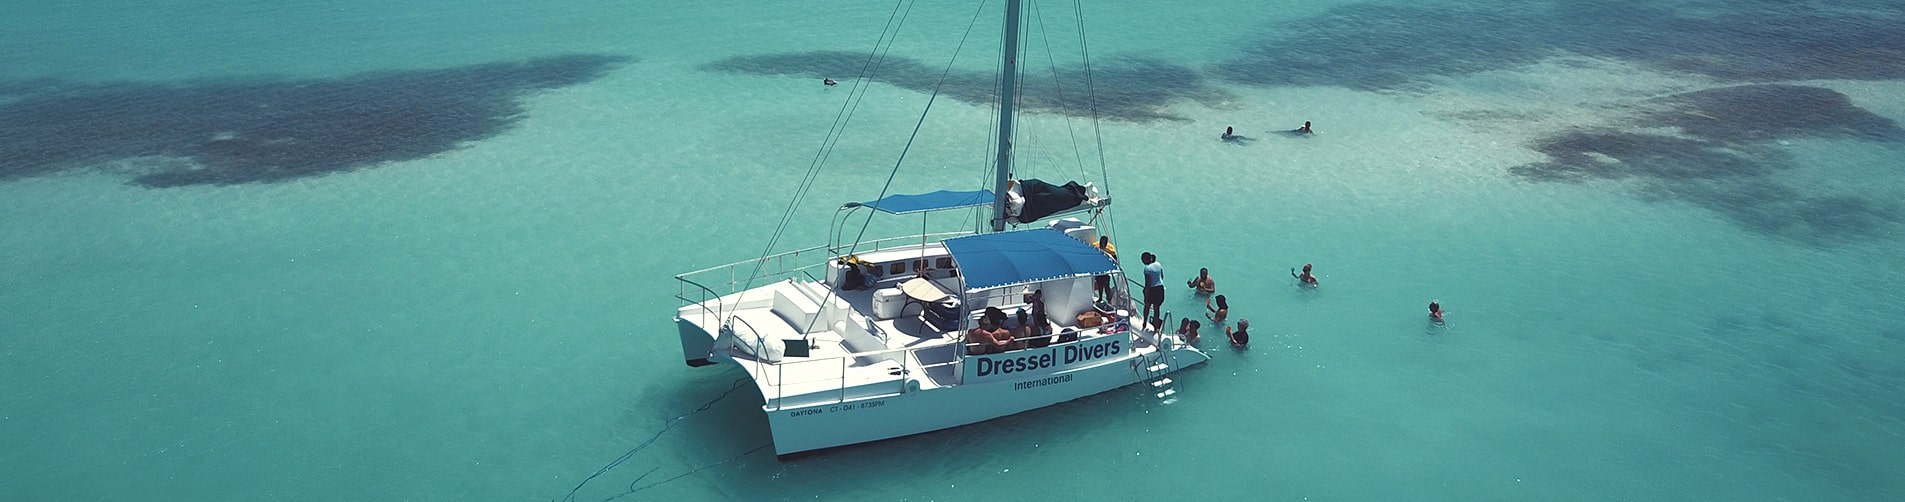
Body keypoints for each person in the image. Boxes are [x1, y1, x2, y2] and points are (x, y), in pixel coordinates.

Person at [1140, 252, 1165, 326]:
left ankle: (1144, 323)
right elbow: (1162, 277)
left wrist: (1145, 295)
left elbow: (1148, 283)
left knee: (1147, 306)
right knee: (1156, 309)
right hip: (1160, 288)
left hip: (1152, 289)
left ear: (1145, 259)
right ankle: (1156, 327)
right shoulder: (1158, 264)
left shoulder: (1147, 269)